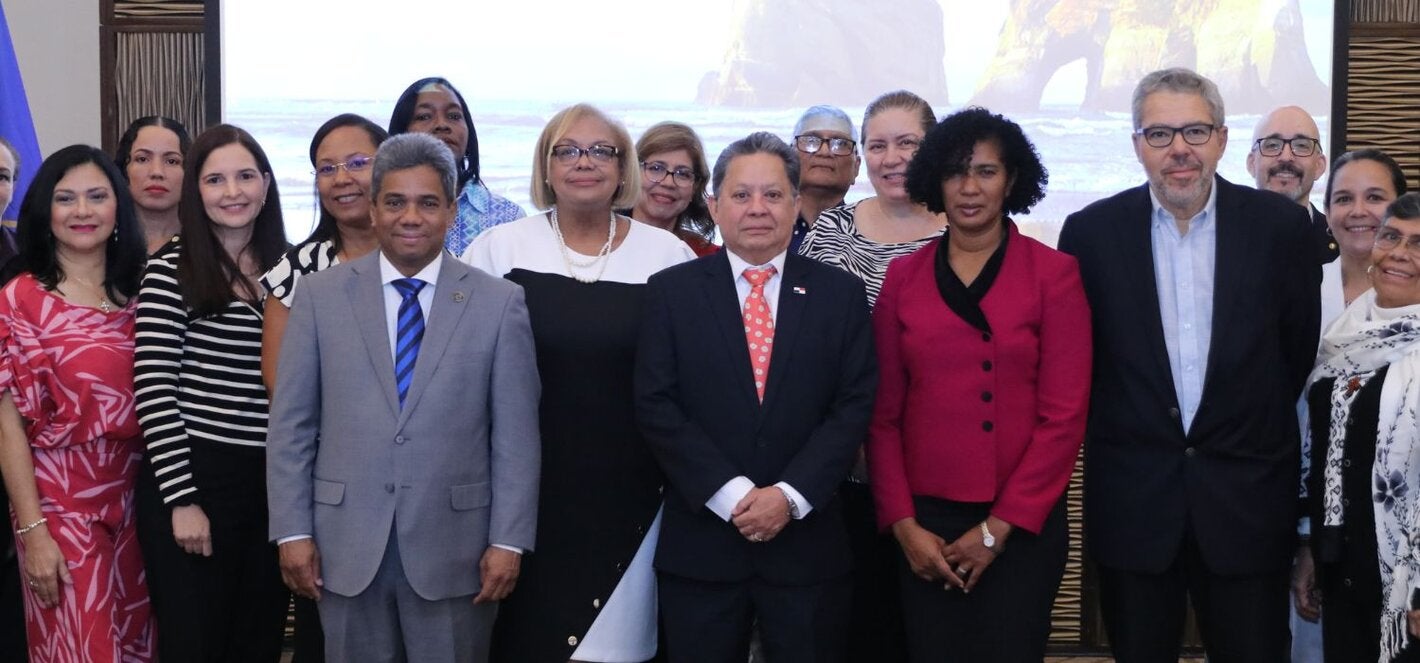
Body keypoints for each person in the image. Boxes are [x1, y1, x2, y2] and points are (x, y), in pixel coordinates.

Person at [1057, 67, 1321, 662]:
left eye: (1195, 131)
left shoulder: (1281, 230)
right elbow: (1085, 365)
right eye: (1159, 134)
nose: (1179, 148)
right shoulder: (1091, 234)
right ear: (1136, 146)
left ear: (1223, 140)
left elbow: (1294, 354)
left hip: (1248, 509)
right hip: (1135, 509)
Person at [267, 132, 540, 663]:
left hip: (457, 550)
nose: (409, 216)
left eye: (427, 202)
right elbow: (291, 426)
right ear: (373, 208)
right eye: (394, 202)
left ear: (451, 210)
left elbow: (515, 437)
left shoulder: (499, 303)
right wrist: (291, 531)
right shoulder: (321, 297)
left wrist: (508, 541)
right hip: (343, 547)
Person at [463, 103, 694, 662]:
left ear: (623, 169)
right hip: (524, 493)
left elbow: (693, 383)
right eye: (567, 150)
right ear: (546, 166)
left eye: (600, 151)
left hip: (636, 493)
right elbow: (462, 372)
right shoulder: (499, 248)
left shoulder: (669, 256)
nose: (583, 162)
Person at [635, 131, 877, 663]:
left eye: (773, 195)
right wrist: (732, 496)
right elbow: (656, 404)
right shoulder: (671, 292)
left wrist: (788, 497)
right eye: (741, 196)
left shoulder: (840, 294)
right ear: (715, 206)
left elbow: (853, 405)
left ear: (796, 205)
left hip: (807, 549)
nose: (758, 209)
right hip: (703, 547)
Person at [868, 106, 1091, 661]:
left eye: (987, 172)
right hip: (927, 528)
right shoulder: (903, 276)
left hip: (1019, 523)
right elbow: (882, 414)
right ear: (934, 182)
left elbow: (1064, 417)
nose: (969, 188)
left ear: (1011, 179)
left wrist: (997, 530)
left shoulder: (1053, 274)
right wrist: (902, 525)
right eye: (954, 172)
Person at [133, 124, 291, 661]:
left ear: (267, 185)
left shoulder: (290, 270)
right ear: (195, 191)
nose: (233, 192)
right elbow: (154, 389)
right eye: (215, 179)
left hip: (270, 483)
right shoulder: (170, 269)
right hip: (194, 476)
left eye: (246, 176)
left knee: (258, 641)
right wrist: (182, 501)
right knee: (196, 645)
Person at [0, 144, 153, 661]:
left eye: (96, 196)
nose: (82, 211)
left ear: (119, 209)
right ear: (44, 212)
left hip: (141, 504)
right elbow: (7, 428)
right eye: (66, 198)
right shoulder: (20, 298)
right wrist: (33, 532)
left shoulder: (143, 292)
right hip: (60, 508)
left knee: (138, 648)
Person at [258, 112, 388, 663]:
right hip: (332, 496)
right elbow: (282, 395)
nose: (342, 178)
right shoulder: (297, 271)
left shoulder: (429, 261)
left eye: (359, 162)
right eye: (326, 168)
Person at [1292, 150, 1410, 647]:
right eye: (1343, 198)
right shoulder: (1315, 302)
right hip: (1333, 538)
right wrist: (1309, 540)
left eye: (1375, 198)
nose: (1358, 211)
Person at [387, 76, 524, 256]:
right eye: (424, 116)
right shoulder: (381, 213)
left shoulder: (508, 218)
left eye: (453, 116)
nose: (442, 125)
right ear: (400, 133)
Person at [627, 121, 718, 256]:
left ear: (695, 188)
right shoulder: (596, 244)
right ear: (633, 172)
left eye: (683, 174)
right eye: (656, 168)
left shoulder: (710, 258)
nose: (668, 183)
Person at [115, 116, 192, 254]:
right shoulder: (101, 242)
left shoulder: (206, 246)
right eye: (142, 159)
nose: (157, 172)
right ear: (124, 168)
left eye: (172, 161)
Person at [789, 105, 860, 253]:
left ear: (856, 167)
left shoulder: (870, 235)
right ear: (790, 158)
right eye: (811, 141)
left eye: (840, 143)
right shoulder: (763, 229)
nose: (824, 152)